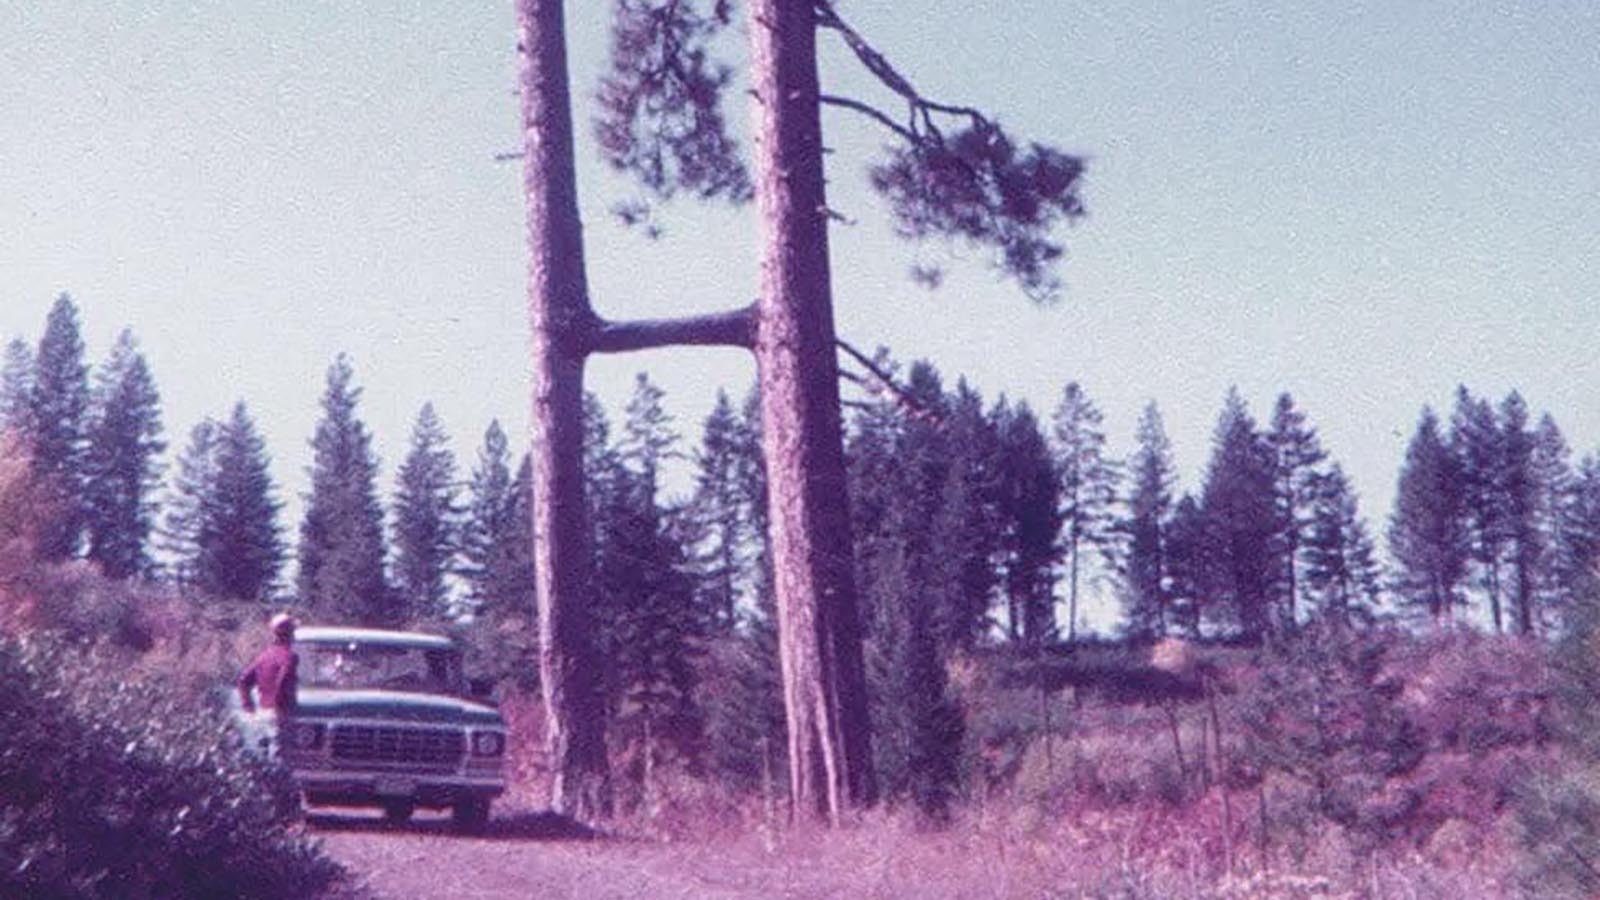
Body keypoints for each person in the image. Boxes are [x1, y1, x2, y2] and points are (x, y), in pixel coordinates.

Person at [236, 612, 299, 753]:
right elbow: (283, 681)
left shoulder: (264, 656)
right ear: (289, 634)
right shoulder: (289, 657)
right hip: (280, 715)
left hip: (262, 712)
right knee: (281, 758)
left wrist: (248, 707)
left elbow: (243, 680)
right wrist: (279, 707)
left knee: (264, 757)